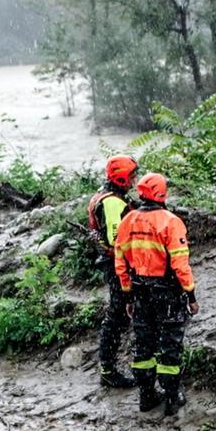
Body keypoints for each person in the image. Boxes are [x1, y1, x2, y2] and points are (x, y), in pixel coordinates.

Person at [114, 172, 199, 415]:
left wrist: (128, 295)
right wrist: (191, 295)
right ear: (162, 193)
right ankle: (172, 397)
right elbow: (180, 264)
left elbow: (121, 264)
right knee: (170, 343)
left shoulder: (127, 221)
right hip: (168, 292)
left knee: (144, 344)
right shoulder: (171, 222)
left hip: (140, 292)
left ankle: (146, 395)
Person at [87, 153, 138, 389]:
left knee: (119, 315)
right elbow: (116, 238)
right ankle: (108, 369)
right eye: (131, 177)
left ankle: (110, 366)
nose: (134, 181)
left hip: (112, 262)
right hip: (117, 265)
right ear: (120, 179)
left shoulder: (105, 196)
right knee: (117, 316)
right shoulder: (112, 202)